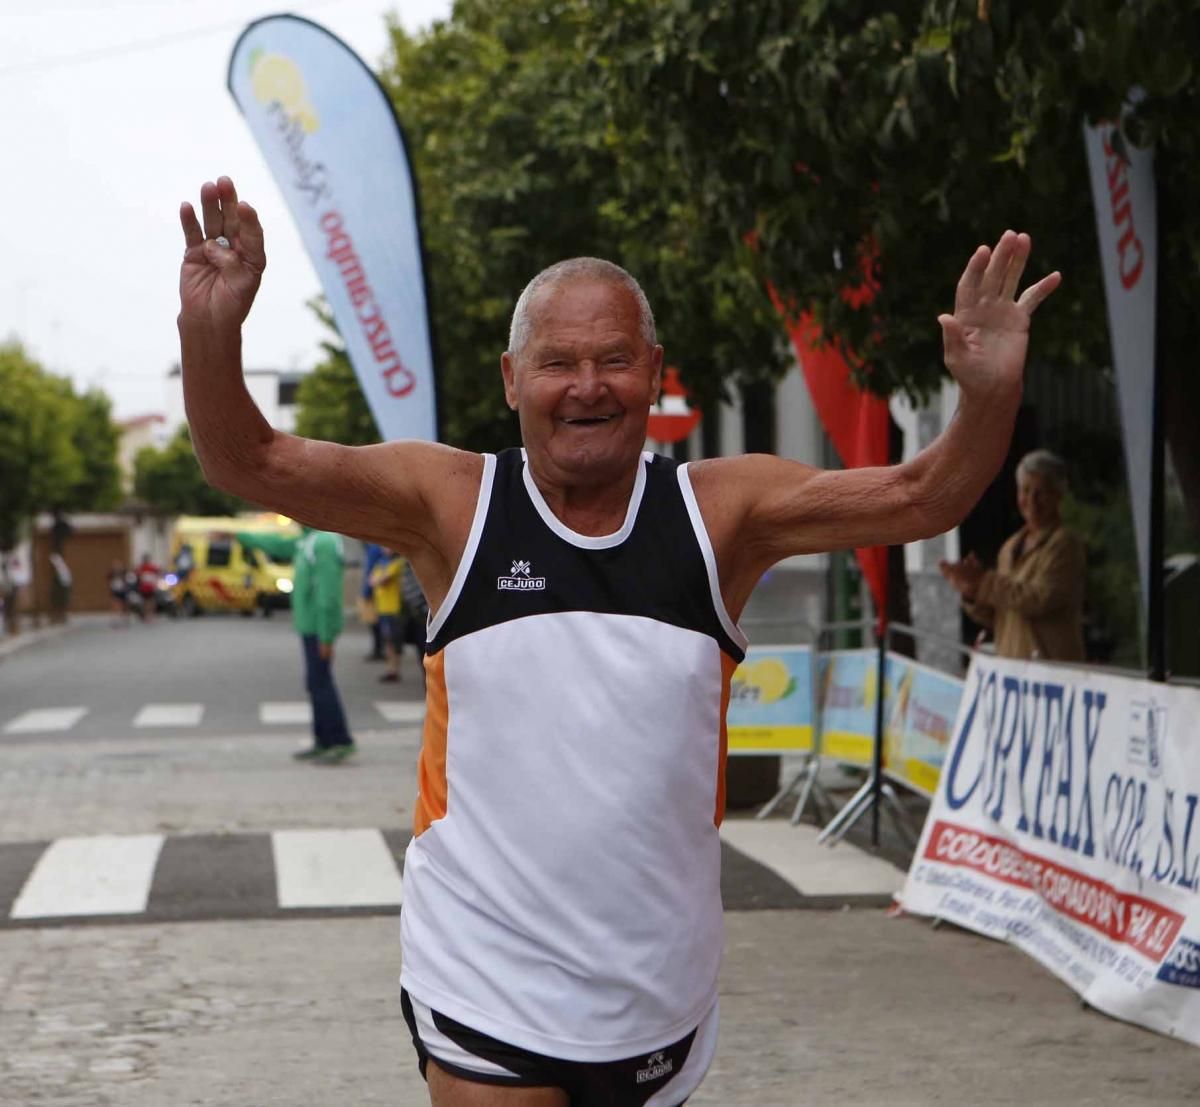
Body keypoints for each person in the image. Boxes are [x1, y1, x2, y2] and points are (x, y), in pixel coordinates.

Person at [178, 176, 1059, 1105]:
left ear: (654, 371)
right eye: (557, 362)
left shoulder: (720, 514)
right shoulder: (451, 504)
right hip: (484, 976)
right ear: (513, 378)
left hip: (658, 997)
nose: (587, 387)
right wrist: (212, 333)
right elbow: (248, 459)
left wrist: (988, 397)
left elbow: (922, 496)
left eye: (613, 361)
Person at [939, 448, 1085, 662]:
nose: (1032, 501)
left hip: (1051, 671)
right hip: (1013, 670)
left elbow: (1039, 599)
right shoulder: (1010, 547)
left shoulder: (1065, 543)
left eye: (1041, 492)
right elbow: (1001, 615)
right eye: (1025, 490)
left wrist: (984, 582)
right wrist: (972, 593)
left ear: (1058, 495)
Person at [290, 526, 356, 764]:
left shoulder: (324, 542)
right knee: (315, 683)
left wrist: (326, 636)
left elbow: (327, 595)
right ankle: (323, 739)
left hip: (318, 628)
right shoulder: (309, 540)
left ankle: (339, 740)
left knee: (321, 683)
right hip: (310, 626)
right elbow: (276, 543)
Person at [369, 547, 403, 683]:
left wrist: (378, 579)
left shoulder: (398, 563)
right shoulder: (381, 563)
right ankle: (391, 669)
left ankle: (394, 669)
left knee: (394, 641)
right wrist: (378, 579)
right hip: (383, 608)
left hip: (394, 609)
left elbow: (381, 579)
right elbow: (371, 580)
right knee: (388, 640)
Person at [361, 541, 387, 661]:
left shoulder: (374, 548)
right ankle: (379, 648)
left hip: (376, 591)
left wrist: (367, 592)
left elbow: (371, 569)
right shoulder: (373, 547)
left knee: (376, 622)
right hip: (375, 589)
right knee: (376, 622)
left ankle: (379, 649)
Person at [135, 552, 161, 622]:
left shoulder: (152, 567)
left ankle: (151, 615)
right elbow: (138, 576)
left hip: (151, 587)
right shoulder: (141, 567)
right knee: (145, 602)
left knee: (152, 602)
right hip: (144, 588)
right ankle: (146, 615)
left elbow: (158, 572)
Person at [107, 560, 130, 627]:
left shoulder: (124, 573)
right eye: (116, 566)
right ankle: (115, 619)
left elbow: (127, 581)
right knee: (115, 604)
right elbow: (109, 581)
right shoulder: (111, 574)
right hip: (115, 590)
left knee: (124, 605)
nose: (117, 567)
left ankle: (125, 618)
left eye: (119, 566)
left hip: (123, 591)